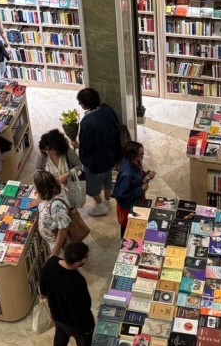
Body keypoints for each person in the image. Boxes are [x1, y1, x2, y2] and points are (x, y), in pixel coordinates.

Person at [39, 241, 93, 346]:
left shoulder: (51, 263)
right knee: (84, 340)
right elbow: (83, 308)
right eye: (85, 257)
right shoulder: (77, 283)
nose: (87, 259)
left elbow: (43, 289)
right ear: (77, 263)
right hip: (75, 323)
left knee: (60, 341)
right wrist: (88, 326)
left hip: (57, 315)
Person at [76, 87, 121, 217]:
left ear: (84, 104)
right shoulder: (107, 109)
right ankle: (107, 202)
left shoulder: (87, 122)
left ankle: (100, 205)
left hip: (95, 162)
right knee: (107, 181)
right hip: (110, 156)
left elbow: (87, 145)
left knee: (90, 188)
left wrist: (78, 145)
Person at [36, 128, 86, 211]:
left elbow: (78, 165)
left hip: (70, 187)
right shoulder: (43, 155)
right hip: (52, 191)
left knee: (71, 209)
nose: (48, 153)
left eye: (51, 149)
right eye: (46, 149)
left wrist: (67, 175)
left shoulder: (68, 152)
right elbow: (38, 170)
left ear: (58, 147)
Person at [113, 141, 154, 237]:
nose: (143, 156)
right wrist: (140, 190)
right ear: (132, 155)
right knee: (128, 230)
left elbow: (137, 174)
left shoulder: (133, 161)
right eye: (140, 154)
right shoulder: (126, 174)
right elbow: (120, 195)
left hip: (136, 200)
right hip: (128, 207)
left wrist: (146, 175)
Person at [35, 170, 70, 258]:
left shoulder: (56, 206)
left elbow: (63, 228)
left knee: (59, 264)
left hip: (56, 242)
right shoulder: (50, 193)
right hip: (49, 238)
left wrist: (56, 248)